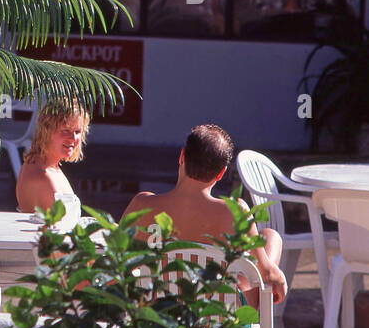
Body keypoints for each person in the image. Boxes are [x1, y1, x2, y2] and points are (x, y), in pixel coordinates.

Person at [120, 123, 287, 305]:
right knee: (271, 237)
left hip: (157, 313)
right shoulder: (234, 211)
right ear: (221, 173)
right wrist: (278, 278)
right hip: (217, 318)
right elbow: (267, 274)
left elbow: (117, 262)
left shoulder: (142, 204)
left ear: (182, 155)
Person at [16, 100, 89, 218]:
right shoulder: (43, 176)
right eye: (66, 131)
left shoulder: (46, 166)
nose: (73, 138)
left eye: (77, 132)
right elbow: (59, 230)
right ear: (47, 131)